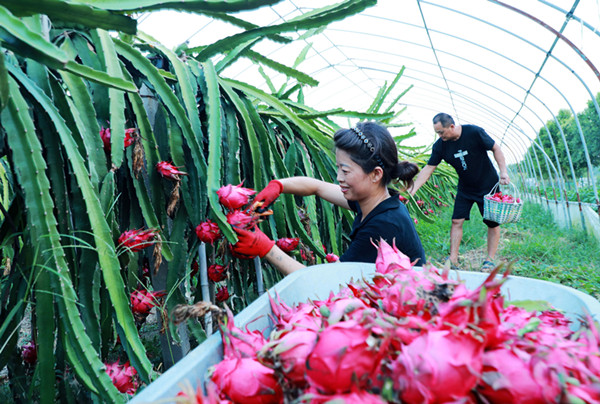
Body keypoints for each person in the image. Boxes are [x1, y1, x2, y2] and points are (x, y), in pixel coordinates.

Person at [230, 121, 426, 275]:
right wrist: (278, 186)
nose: (339, 178)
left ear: (376, 174)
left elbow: (327, 284)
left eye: (346, 170)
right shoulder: (376, 200)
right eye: (338, 167)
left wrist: (265, 249)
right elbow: (317, 187)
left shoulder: (383, 226)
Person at [410, 113, 509, 271]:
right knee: (456, 221)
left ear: (451, 126)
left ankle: (489, 260)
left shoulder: (474, 132)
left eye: (441, 132)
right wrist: (413, 189)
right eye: (437, 133)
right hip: (466, 187)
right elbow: (428, 168)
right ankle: (453, 259)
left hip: (488, 186)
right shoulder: (440, 146)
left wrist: (503, 172)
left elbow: (495, 148)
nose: (440, 136)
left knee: (492, 222)